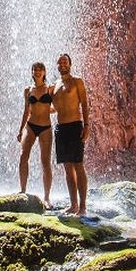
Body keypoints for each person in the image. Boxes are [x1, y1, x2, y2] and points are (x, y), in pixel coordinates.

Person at [52, 52, 90, 216]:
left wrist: (86, 125)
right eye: (60, 62)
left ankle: (82, 207)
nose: (63, 64)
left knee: (78, 166)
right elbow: (55, 108)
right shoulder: (54, 85)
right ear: (57, 65)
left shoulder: (77, 82)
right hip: (61, 128)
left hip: (75, 126)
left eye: (65, 62)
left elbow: (85, 104)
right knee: (68, 168)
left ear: (70, 64)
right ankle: (73, 205)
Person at [17, 61, 54, 206]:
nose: (37, 72)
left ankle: (46, 197)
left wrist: (46, 110)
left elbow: (57, 107)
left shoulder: (50, 89)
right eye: (35, 70)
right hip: (30, 126)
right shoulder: (28, 90)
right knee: (23, 156)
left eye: (40, 69)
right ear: (32, 72)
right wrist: (20, 130)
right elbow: (26, 111)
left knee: (45, 161)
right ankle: (23, 191)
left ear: (44, 72)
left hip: (45, 127)